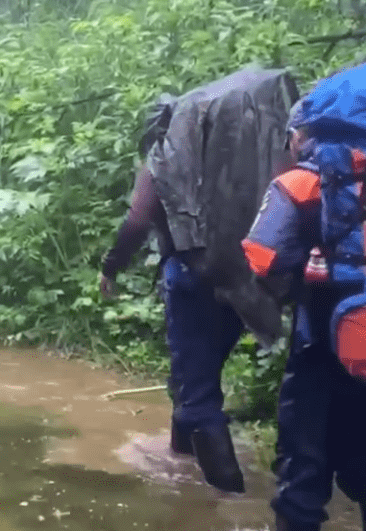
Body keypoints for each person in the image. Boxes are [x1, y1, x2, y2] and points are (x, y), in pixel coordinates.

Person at [99, 98, 246, 494]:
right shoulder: (232, 157)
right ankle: (180, 457)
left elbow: (137, 220)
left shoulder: (161, 162)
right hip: (238, 278)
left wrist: (111, 266)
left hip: (189, 276)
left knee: (196, 386)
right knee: (196, 373)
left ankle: (228, 496)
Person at [243, 81, 366, 531]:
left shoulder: (300, 183)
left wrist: (308, 271)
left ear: (307, 129)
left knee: (302, 471)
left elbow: (263, 256)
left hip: (317, 351)